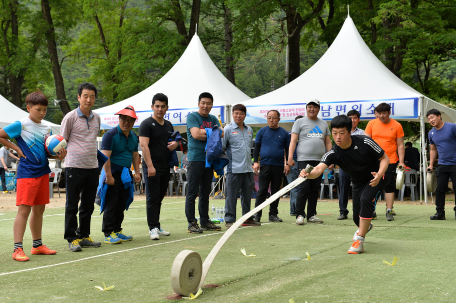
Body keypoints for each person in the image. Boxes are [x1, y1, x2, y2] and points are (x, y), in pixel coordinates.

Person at [299, 115, 389, 254]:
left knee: (366, 200)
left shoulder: (365, 141)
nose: (338, 137)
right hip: (358, 182)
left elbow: (384, 158)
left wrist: (379, 173)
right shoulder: (334, 153)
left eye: (341, 133)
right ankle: (365, 226)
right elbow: (318, 169)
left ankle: (359, 240)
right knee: (356, 219)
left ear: (349, 132)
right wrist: (308, 174)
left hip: (376, 177)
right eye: (334, 133)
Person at [0, 91, 66, 261]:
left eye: (44, 110)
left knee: (39, 210)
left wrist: (58, 156)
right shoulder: (20, 124)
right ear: (28, 108)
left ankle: (37, 246)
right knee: (24, 210)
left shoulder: (47, 128)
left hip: (43, 172)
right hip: (27, 174)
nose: (42, 113)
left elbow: (46, 152)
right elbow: (0, 135)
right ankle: (17, 249)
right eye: (38, 110)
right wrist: (17, 149)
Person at [61, 82, 102, 252]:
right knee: (72, 203)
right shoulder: (70, 117)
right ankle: (72, 238)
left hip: (92, 167)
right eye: (85, 96)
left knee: (88, 204)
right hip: (74, 166)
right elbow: (61, 142)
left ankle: (84, 235)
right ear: (79, 97)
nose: (89, 99)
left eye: (92, 96)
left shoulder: (97, 118)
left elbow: (92, 139)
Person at [139, 93, 178, 239]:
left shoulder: (168, 125)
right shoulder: (146, 124)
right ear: (152, 107)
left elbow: (172, 141)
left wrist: (175, 144)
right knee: (152, 197)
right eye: (157, 106)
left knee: (160, 197)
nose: (160, 109)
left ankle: (157, 225)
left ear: (167, 108)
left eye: (163, 106)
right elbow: (144, 146)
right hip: (151, 166)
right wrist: (149, 166)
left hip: (165, 166)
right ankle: (152, 228)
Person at [100, 105, 141, 244]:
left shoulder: (134, 136)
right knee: (111, 204)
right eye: (124, 119)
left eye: (130, 120)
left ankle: (117, 230)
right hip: (112, 172)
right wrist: (109, 175)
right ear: (119, 119)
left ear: (134, 122)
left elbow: (135, 155)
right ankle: (107, 233)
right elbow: (105, 157)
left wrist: (137, 172)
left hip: (126, 174)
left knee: (122, 203)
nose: (126, 122)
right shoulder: (110, 135)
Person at [288, 100, 331, 225]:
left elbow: (328, 142)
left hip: (320, 161)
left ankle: (311, 214)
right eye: (309, 107)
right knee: (304, 187)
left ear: (318, 109)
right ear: (306, 108)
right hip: (304, 159)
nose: (312, 109)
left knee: (314, 188)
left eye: (314, 107)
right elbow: (293, 141)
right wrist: (290, 157)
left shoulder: (323, 123)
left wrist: (330, 158)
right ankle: (300, 214)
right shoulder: (299, 122)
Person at [185, 92, 223, 233]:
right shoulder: (193, 116)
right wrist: (213, 133)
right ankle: (191, 223)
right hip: (195, 158)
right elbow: (195, 134)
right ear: (198, 104)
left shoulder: (213, 118)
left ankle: (205, 221)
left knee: (205, 192)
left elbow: (222, 133)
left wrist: (206, 132)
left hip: (209, 159)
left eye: (208, 103)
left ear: (212, 105)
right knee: (192, 191)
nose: (205, 106)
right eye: (203, 103)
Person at [365, 103, 405, 221]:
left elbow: (400, 145)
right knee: (373, 183)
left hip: (391, 160)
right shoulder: (371, 123)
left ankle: (389, 210)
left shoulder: (397, 125)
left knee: (389, 185)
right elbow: (366, 141)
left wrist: (401, 162)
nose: (381, 116)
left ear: (389, 113)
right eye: (379, 113)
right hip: (374, 160)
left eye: (384, 113)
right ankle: (372, 210)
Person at [223, 104, 258, 228]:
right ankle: (229, 219)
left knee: (247, 196)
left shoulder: (249, 130)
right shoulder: (227, 129)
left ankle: (247, 218)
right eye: (236, 113)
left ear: (245, 115)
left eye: (241, 113)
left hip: (248, 168)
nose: (239, 116)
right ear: (232, 114)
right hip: (233, 168)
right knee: (231, 196)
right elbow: (222, 148)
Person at [253, 110, 290, 223]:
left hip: (278, 166)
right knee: (262, 190)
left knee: (275, 191)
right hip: (265, 165)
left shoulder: (284, 133)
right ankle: (257, 214)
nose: (271, 120)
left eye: (274, 118)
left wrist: (287, 163)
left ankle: (273, 214)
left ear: (279, 119)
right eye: (269, 117)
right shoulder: (262, 131)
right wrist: (255, 162)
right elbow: (256, 148)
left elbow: (287, 149)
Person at [427, 109, 456, 220]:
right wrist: (430, 165)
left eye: (432, 117)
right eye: (429, 119)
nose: (431, 120)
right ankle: (440, 213)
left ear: (439, 116)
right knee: (440, 189)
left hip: (455, 164)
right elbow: (433, 150)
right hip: (442, 164)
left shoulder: (452, 127)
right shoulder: (431, 133)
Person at [337, 110, 365, 220]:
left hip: (359, 166)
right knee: (343, 188)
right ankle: (343, 211)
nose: (352, 120)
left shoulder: (363, 133)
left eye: (355, 118)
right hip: (344, 165)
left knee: (359, 189)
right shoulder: (341, 132)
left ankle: (359, 211)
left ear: (358, 119)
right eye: (350, 118)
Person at [287, 115, 303, 216]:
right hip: (292, 161)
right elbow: (285, 150)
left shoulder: (306, 135)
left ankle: (294, 210)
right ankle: (297, 210)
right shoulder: (289, 135)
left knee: (296, 187)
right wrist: (286, 162)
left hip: (302, 161)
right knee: (295, 187)